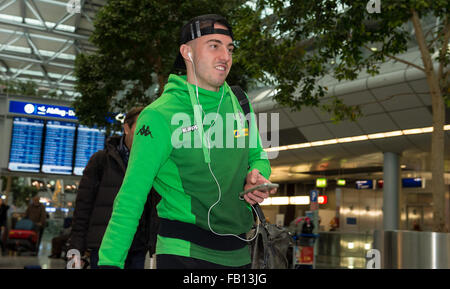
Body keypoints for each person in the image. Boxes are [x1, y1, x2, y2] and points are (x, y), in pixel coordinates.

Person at [98, 14, 276, 269]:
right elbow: (131, 197)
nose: (225, 56)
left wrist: (259, 175)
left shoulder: (239, 100)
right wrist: (109, 264)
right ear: (187, 52)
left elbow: (257, 155)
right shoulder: (159, 115)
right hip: (184, 252)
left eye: (229, 48)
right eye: (214, 45)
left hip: (240, 252)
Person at [68, 107, 159, 269]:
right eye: (141, 126)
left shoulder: (153, 163)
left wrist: (153, 243)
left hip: (137, 247)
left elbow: (154, 209)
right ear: (126, 128)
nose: (145, 132)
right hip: (104, 246)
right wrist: (76, 249)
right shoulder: (101, 161)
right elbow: (83, 208)